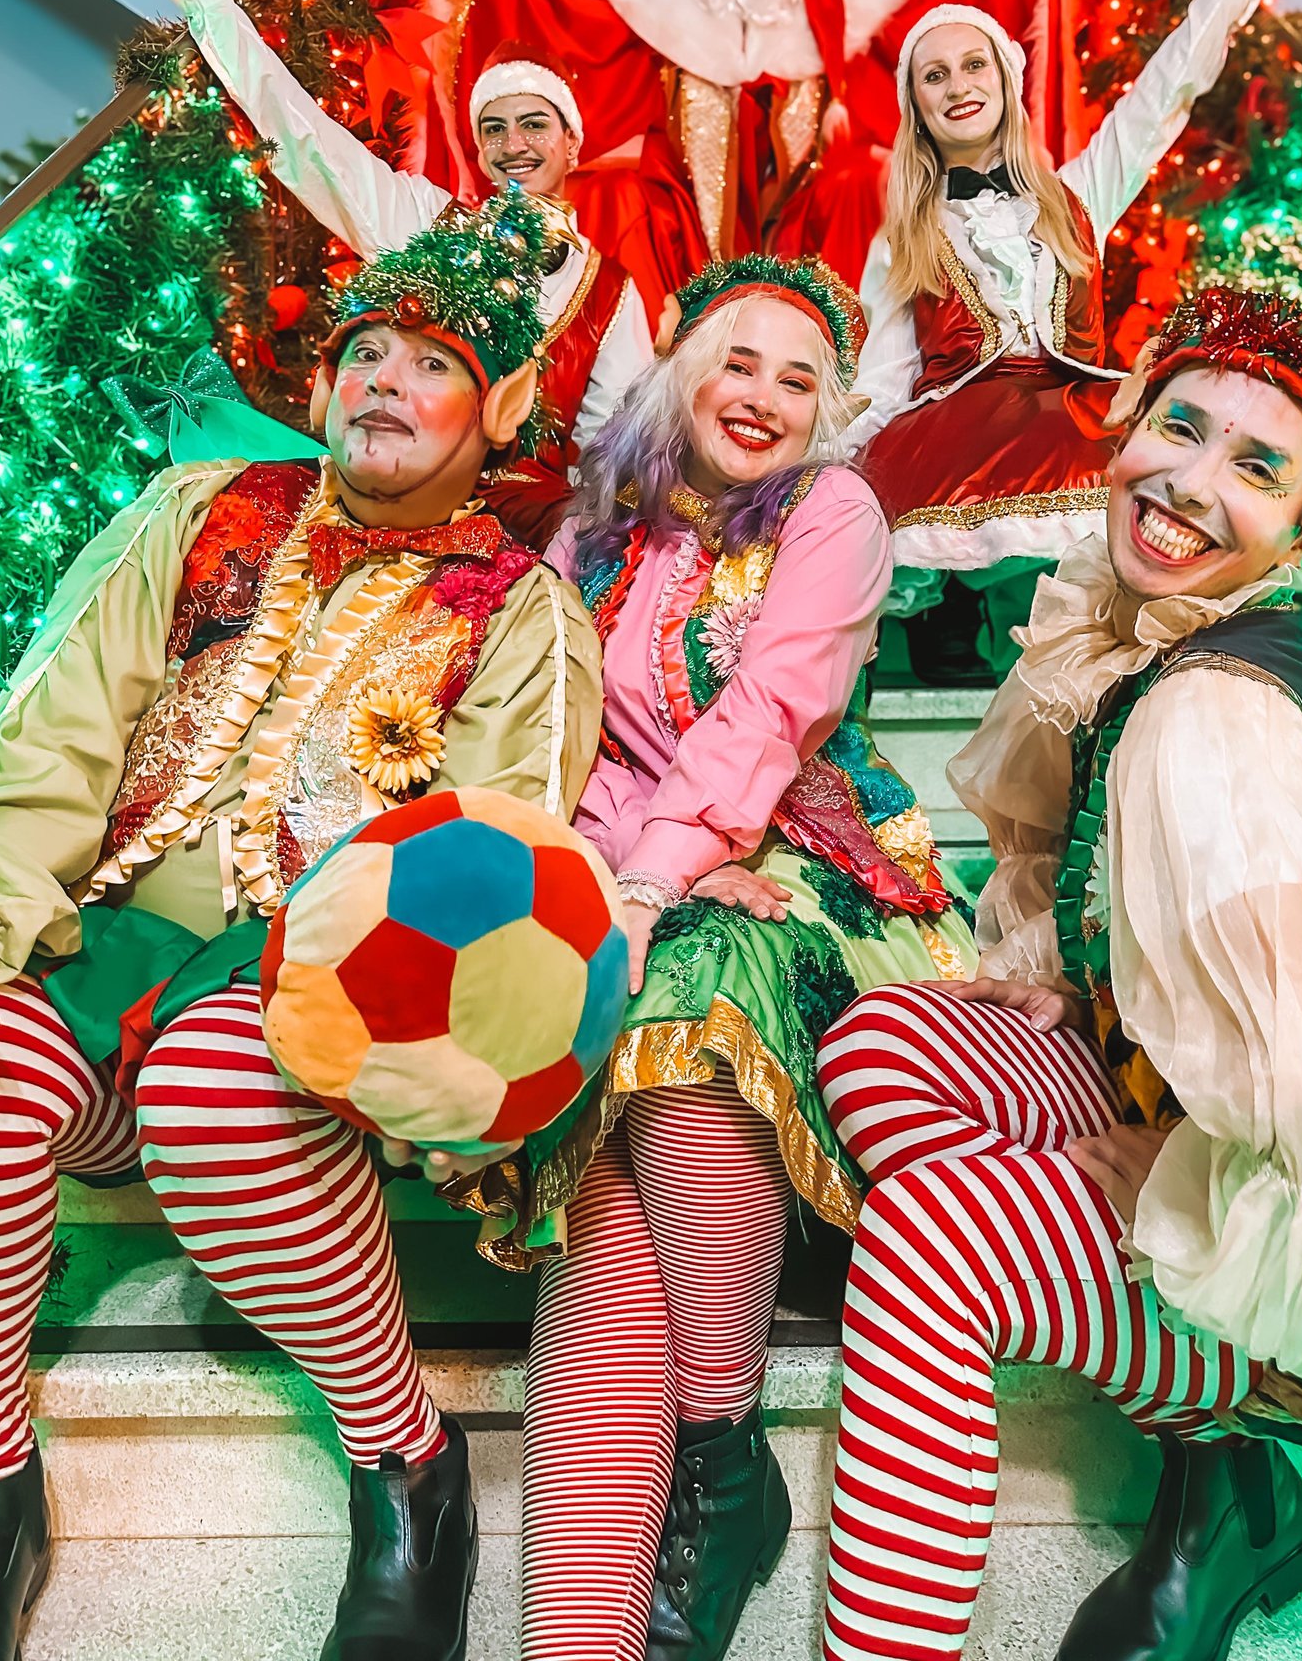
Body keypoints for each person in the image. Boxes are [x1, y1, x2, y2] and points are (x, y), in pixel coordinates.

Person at [813, 283, 1302, 1661]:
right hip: (1196, 1098)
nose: (1189, 485)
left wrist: (1218, 1194)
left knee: (933, 1242)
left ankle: (1231, 1464)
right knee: (883, 1040)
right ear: (1129, 421)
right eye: (1181, 427)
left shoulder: (1217, 718)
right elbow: (1056, 858)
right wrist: (1061, 980)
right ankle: (1228, 1472)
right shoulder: (1129, 627)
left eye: (1256, 468)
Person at [0, 217, 602, 1661]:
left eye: (433, 364)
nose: (382, 381)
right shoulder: (201, 510)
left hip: (313, 1011)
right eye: (365, 350)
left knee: (213, 1082)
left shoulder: (523, 610)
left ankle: (406, 1460)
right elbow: (51, 730)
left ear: (496, 413)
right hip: (98, 944)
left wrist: (440, 1054)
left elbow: (504, 868)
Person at [442, 253, 977, 1661]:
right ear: (677, 369)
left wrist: (653, 882)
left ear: (829, 414)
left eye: (800, 380)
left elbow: (769, 718)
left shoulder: (837, 514)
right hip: (636, 871)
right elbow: (568, 743)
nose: (764, 396)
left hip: (814, 874)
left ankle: (722, 1429)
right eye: (738, 361)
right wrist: (615, 879)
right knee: (601, 1192)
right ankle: (644, 1564)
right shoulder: (591, 534)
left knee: (689, 981)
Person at [849, 0, 1302, 682]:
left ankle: (1094, 636)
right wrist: (836, 489)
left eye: (974, 64)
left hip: (1076, 418)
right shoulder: (903, 238)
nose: (958, 86)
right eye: (934, 75)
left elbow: (1179, 72)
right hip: (955, 443)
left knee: (1134, 460)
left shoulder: (1078, 194)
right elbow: (879, 381)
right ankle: (960, 618)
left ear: (1007, 79)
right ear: (916, 106)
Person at [358, 0, 1132, 290]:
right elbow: (551, 20)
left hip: (819, 257)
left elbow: (958, 22)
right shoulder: (651, 16)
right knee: (616, 200)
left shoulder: (849, 22)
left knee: (864, 177)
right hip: (675, 257)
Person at [113, 0, 654, 546]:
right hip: (385, 483)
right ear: (479, 150)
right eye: (495, 128)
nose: (515, 144)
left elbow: (613, 458)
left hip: (517, 533)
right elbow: (304, 138)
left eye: (535, 124)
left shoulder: (613, 293)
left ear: (572, 143)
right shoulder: (429, 222)